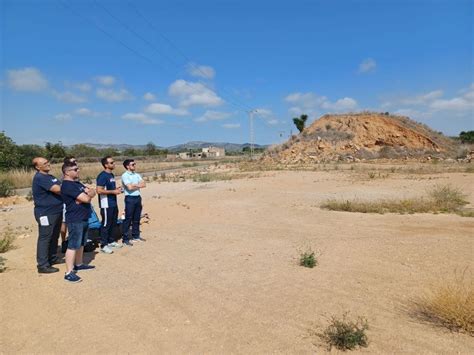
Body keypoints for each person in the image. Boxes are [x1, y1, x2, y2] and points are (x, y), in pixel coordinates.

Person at [61, 162, 96, 283]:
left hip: (84, 216)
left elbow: (92, 192)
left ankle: (79, 264)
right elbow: (87, 198)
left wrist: (86, 195)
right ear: (67, 172)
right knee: (73, 245)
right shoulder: (67, 185)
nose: (78, 171)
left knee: (81, 243)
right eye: (75, 169)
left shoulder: (76, 183)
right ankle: (69, 272)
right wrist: (86, 196)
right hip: (75, 218)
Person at [32, 157, 63, 273]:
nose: (48, 164)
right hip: (45, 213)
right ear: (37, 167)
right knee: (45, 237)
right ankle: (43, 265)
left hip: (56, 211)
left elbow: (60, 186)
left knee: (54, 235)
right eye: (45, 163)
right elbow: (58, 189)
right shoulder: (40, 178)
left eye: (47, 162)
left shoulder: (50, 177)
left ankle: (52, 257)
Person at [96, 156, 123, 254]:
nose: (114, 164)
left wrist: (117, 189)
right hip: (106, 204)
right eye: (111, 163)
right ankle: (104, 244)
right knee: (106, 224)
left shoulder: (111, 175)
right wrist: (113, 191)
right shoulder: (102, 176)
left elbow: (110, 189)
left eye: (114, 162)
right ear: (106, 165)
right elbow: (99, 190)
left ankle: (111, 241)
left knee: (113, 223)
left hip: (113, 203)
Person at [121, 159, 146, 246]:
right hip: (130, 198)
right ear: (127, 166)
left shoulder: (137, 174)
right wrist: (137, 185)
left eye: (135, 164)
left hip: (138, 198)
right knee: (128, 218)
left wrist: (134, 185)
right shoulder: (125, 175)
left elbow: (144, 184)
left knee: (136, 218)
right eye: (133, 164)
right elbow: (129, 188)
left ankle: (136, 236)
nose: (135, 165)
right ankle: (126, 238)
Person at [60, 156, 77, 253]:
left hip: (76, 201)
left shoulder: (75, 173)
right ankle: (64, 242)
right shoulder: (66, 175)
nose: (76, 162)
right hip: (67, 202)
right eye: (73, 161)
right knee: (65, 222)